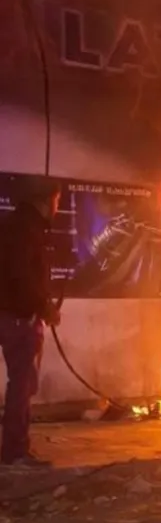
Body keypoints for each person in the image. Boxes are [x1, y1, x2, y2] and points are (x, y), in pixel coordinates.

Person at [0, 187, 62, 467]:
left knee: (23, 383)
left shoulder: (12, 226)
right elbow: (23, 276)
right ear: (45, 201)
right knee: (22, 385)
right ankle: (15, 452)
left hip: (11, 314)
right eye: (57, 200)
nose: (58, 206)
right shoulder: (27, 232)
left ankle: (15, 448)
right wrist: (43, 306)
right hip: (18, 318)